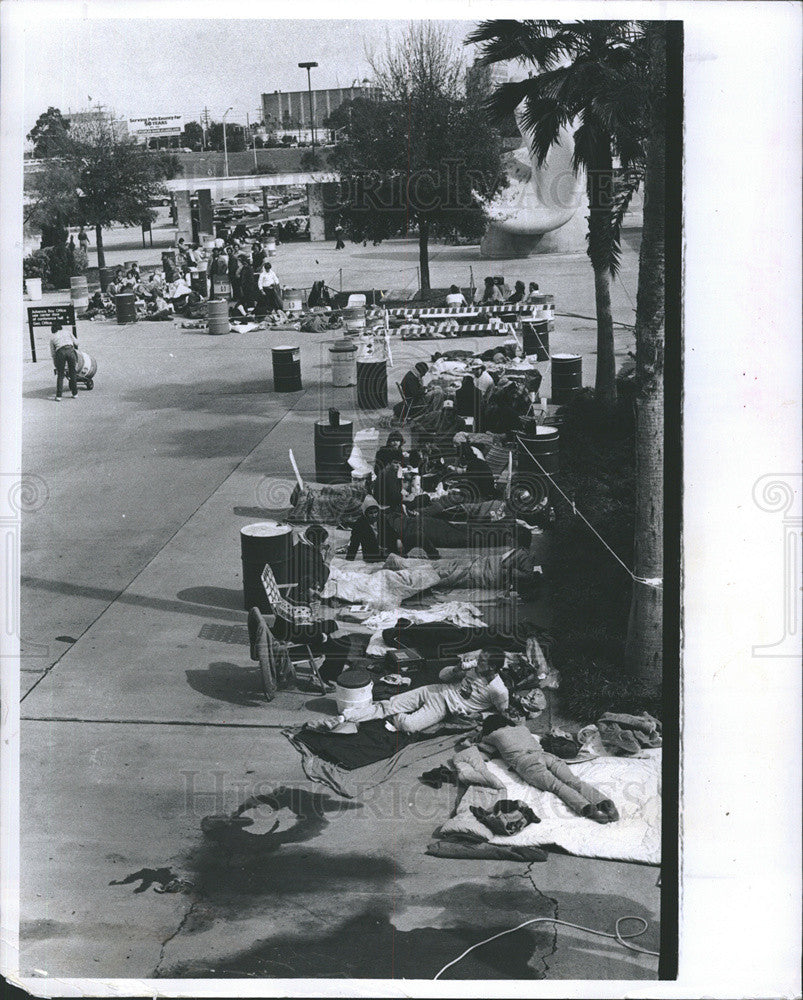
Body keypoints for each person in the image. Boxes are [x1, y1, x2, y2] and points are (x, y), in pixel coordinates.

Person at [480, 715, 619, 823]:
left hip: (527, 762)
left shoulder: (493, 735)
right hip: (546, 756)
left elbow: (481, 742)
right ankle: (604, 802)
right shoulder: (522, 728)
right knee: (573, 780)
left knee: (557, 786)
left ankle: (587, 809)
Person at [337, 648, 509, 734]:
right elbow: (442, 677)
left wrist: (478, 716)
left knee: (408, 725)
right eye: (479, 659)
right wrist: (456, 669)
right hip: (436, 690)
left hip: (446, 706)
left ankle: (390, 712)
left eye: (483, 662)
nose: (478, 663)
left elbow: (500, 713)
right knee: (388, 705)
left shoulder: (498, 690)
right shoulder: (473, 669)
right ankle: (347, 716)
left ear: (493, 667)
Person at [346, 495, 397, 563]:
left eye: (376, 512)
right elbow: (354, 544)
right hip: (372, 557)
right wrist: (349, 560)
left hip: (386, 552)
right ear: (365, 513)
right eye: (370, 513)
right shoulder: (360, 524)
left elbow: (391, 532)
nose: (374, 515)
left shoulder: (381, 519)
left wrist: (398, 540)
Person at [292, 524, 331, 602]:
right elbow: (322, 576)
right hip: (304, 584)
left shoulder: (302, 546)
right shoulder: (307, 557)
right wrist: (328, 559)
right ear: (316, 543)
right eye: (322, 545)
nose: (323, 547)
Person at [49, 321, 79, 401]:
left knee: (60, 375)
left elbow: (53, 353)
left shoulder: (52, 337)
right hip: (70, 350)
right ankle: (75, 393)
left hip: (60, 352)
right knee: (73, 373)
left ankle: (59, 396)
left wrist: (55, 363)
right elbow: (77, 342)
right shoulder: (67, 332)